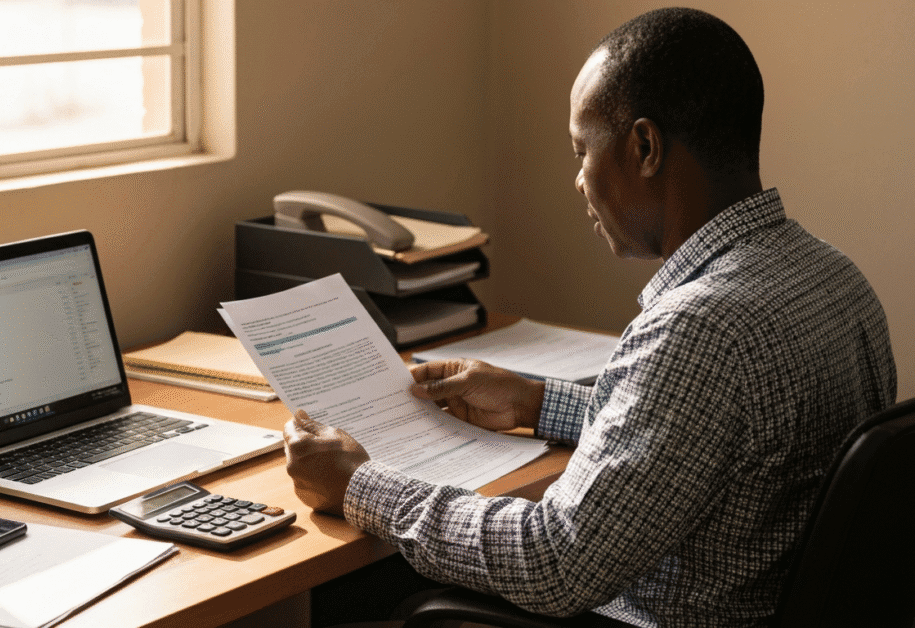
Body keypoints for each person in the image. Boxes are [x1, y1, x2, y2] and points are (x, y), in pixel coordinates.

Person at [283, 7, 897, 627]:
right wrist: (534, 401)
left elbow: (554, 562)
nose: (579, 181)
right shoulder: (834, 278)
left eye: (583, 151)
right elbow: (699, 439)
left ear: (645, 147)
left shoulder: (698, 328)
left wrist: (360, 484)